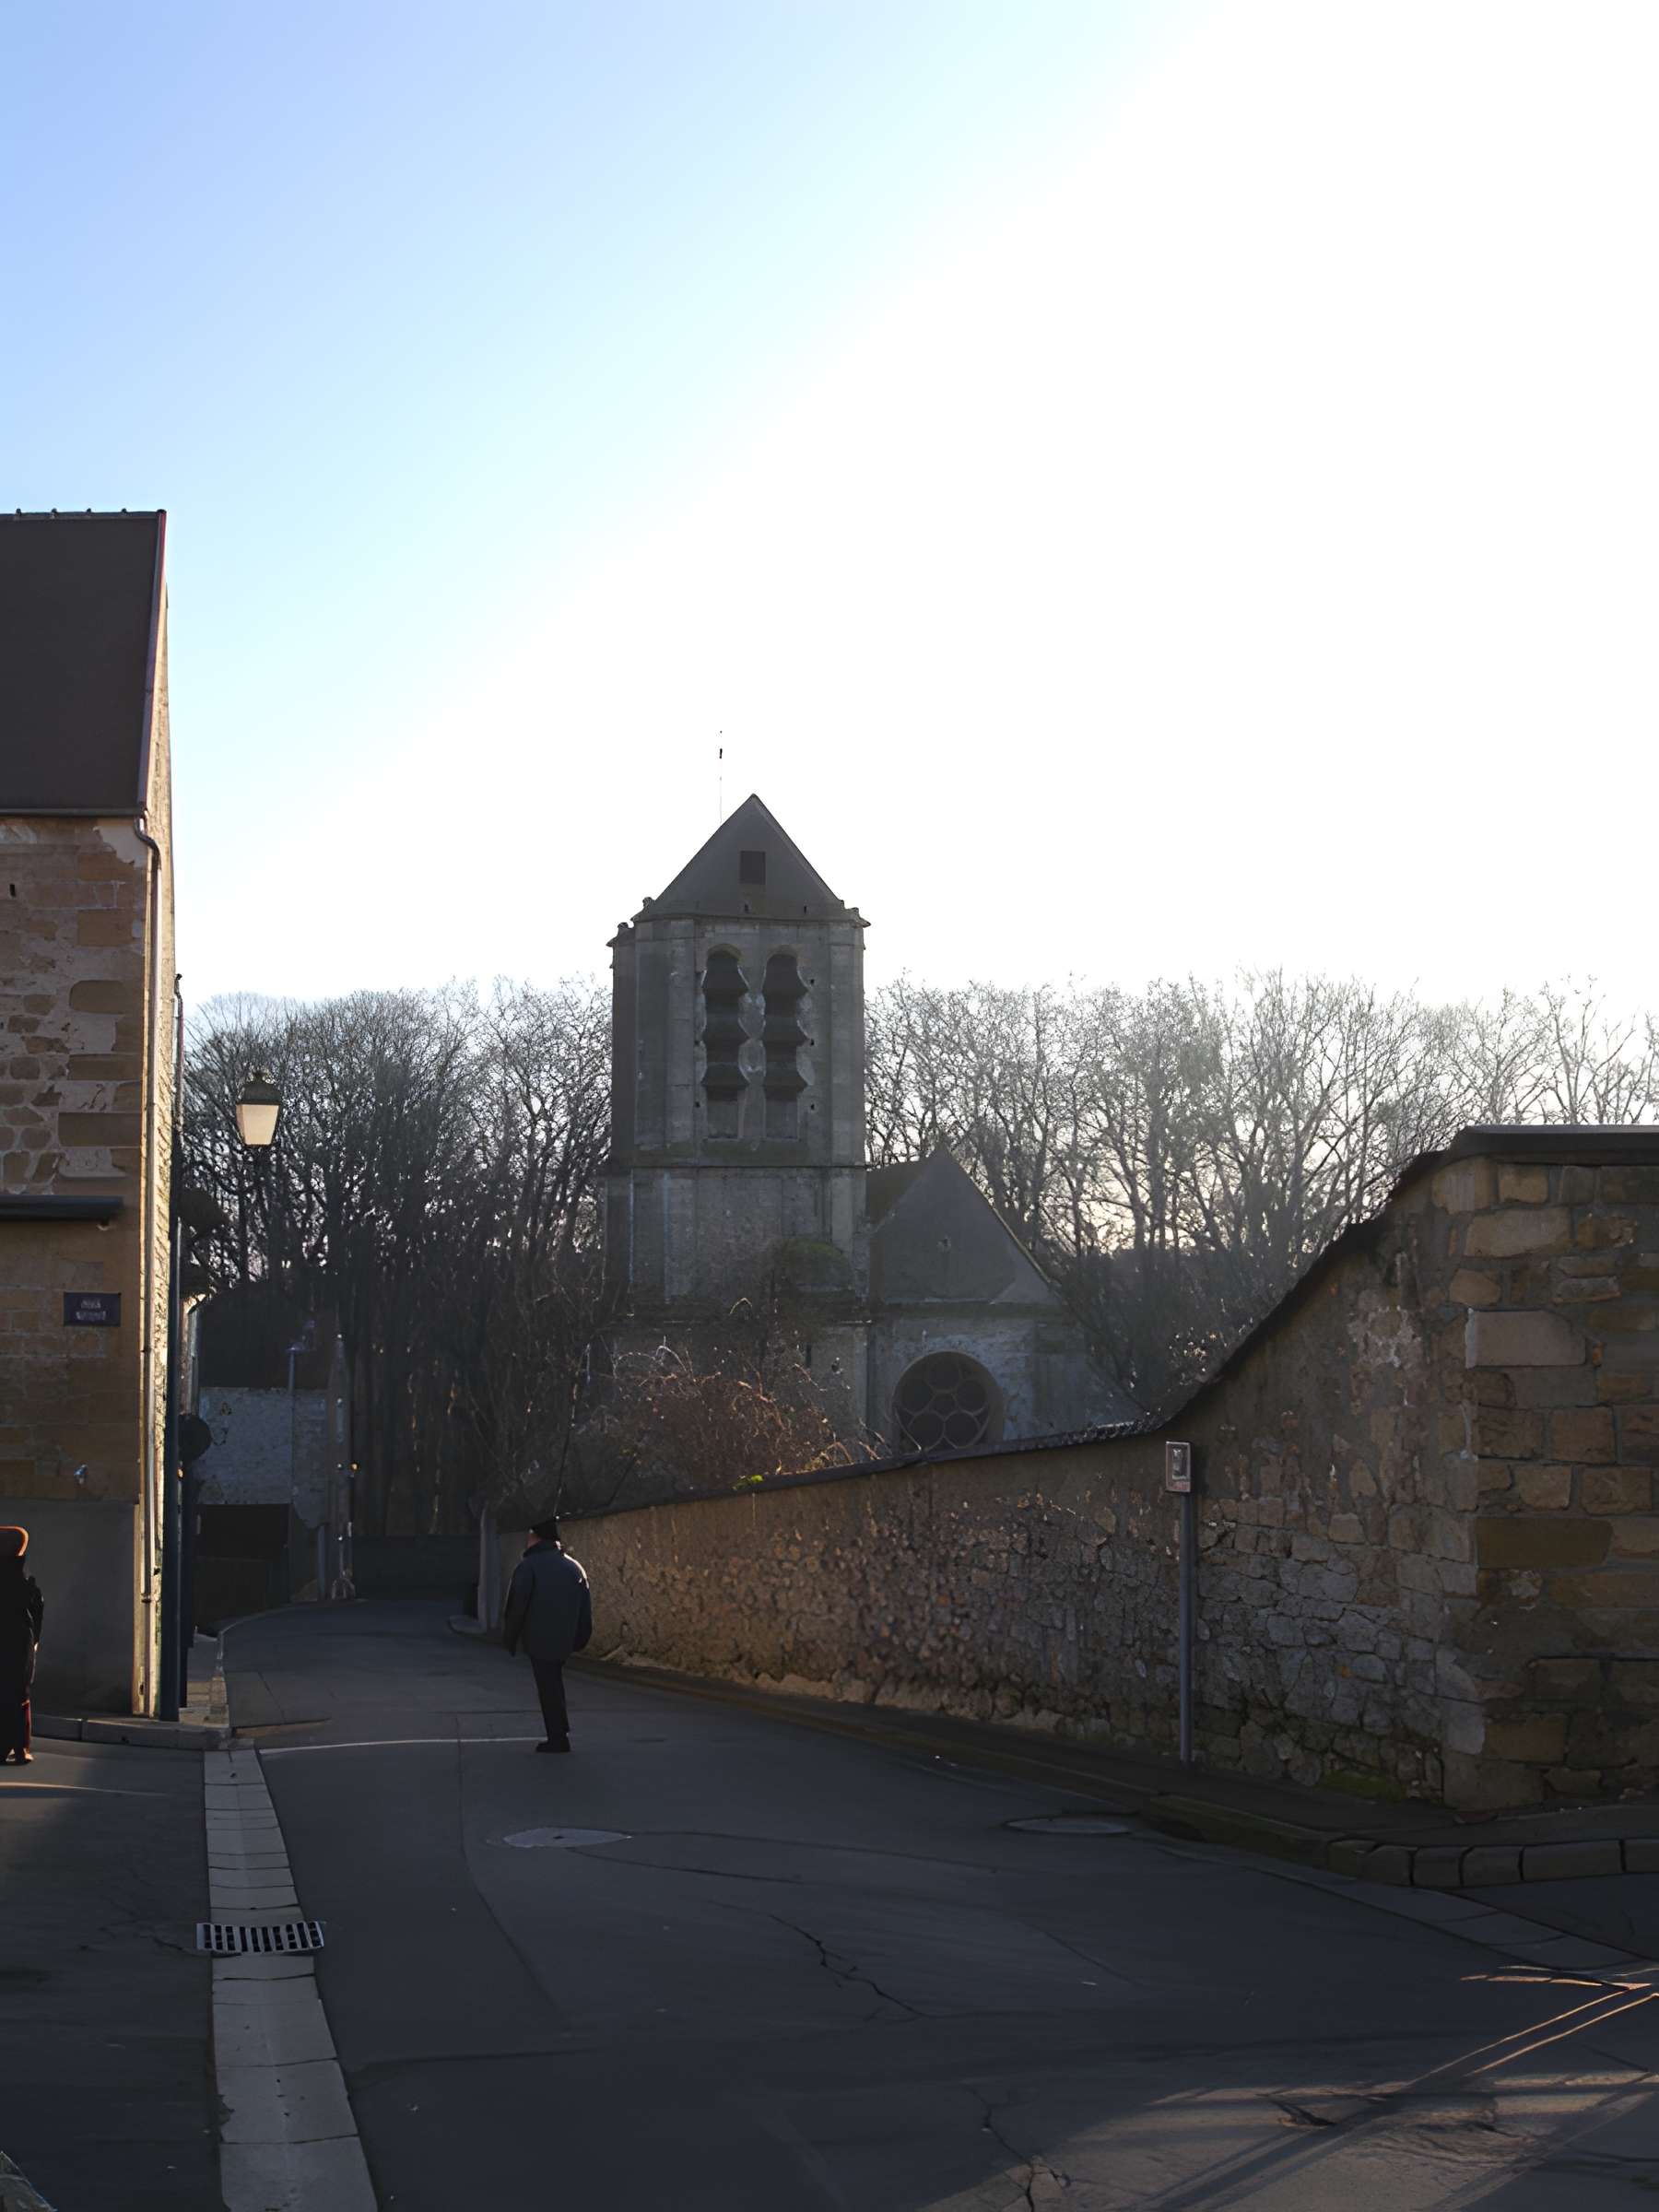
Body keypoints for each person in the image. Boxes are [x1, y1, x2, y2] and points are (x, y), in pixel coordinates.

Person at [500, 1515, 592, 1754]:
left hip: (539, 1637)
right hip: (565, 1638)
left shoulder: (528, 1567)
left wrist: (510, 1638)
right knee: (554, 1683)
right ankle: (560, 1732)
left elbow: (517, 1607)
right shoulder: (574, 1567)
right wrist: (581, 1638)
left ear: (535, 1536)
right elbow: (585, 1607)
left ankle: (558, 1737)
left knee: (548, 1687)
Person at [0, 1527, 43, 1766]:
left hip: (13, 1642)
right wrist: (34, 1643)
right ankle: (20, 1748)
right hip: (20, 1643)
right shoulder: (26, 1583)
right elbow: (37, 1616)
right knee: (19, 1695)